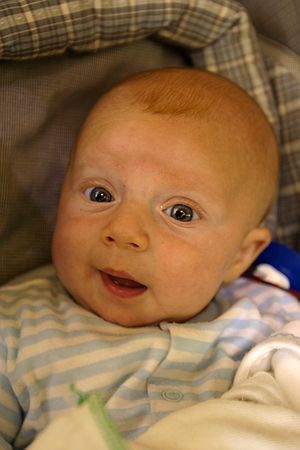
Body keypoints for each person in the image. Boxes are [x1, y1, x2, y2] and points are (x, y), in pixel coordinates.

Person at [1, 68, 300, 449]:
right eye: (99, 194)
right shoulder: (14, 328)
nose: (124, 231)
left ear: (240, 256)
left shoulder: (271, 319)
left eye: (180, 213)